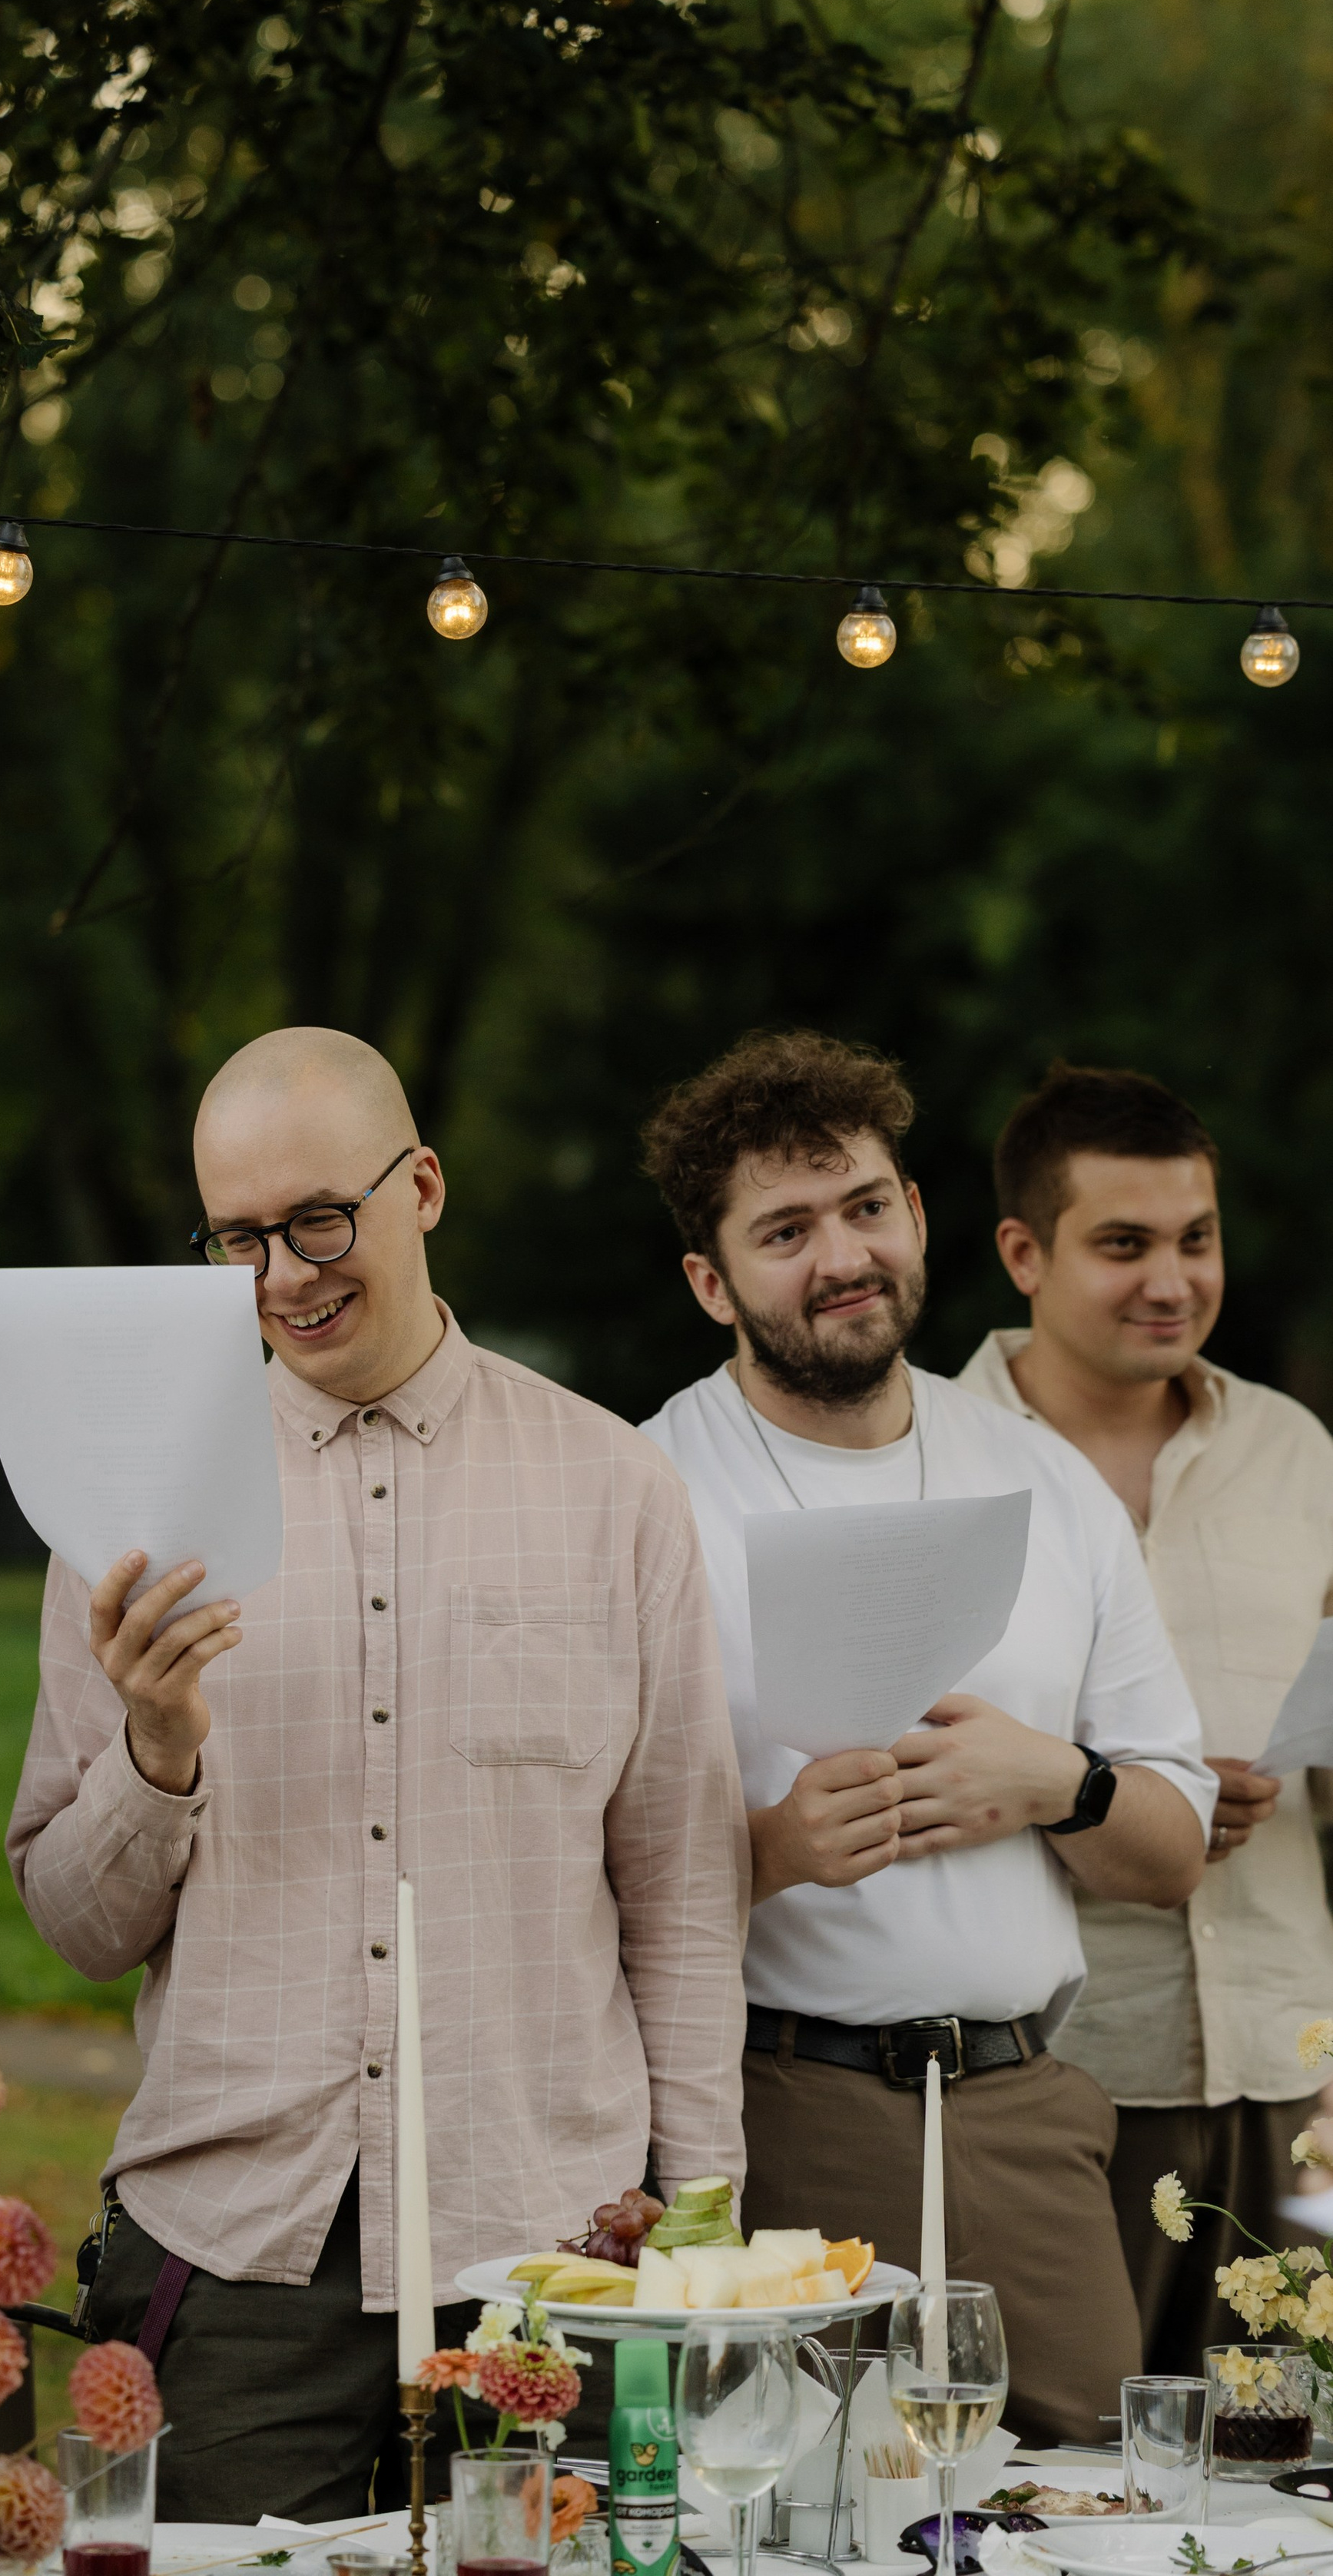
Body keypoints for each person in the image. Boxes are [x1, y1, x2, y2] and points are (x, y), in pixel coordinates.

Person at [9, 1026, 749, 2521]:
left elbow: (679, 1897)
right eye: (237, 1237)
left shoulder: (614, 1490)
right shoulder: (129, 1507)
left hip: (548, 2257)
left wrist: (694, 2238)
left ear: (420, 1186)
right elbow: (78, 1931)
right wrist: (155, 1756)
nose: (281, 1273)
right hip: (233, 2260)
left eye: (316, 1220)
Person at [635, 1029, 1214, 2448]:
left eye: (868, 1207)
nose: (843, 1256)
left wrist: (1058, 1785)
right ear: (710, 1281)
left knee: (1097, 2508)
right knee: (805, 2519)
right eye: (786, 1230)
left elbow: (1176, 1853)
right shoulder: (642, 1493)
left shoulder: (1047, 1482)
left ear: (918, 1217)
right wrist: (768, 1852)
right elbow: (552, 1882)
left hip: (1028, 2112)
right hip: (783, 2111)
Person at [961, 1062, 1333, 2371]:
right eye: (1123, 1244)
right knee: (1082, 2473)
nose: (1171, 1281)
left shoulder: (1299, 1454)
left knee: (1295, 2471)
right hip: (1066, 2080)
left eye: (1196, 1239)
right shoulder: (937, 1464)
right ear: (1024, 1251)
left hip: (1300, 2072)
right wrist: (1133, 1799)